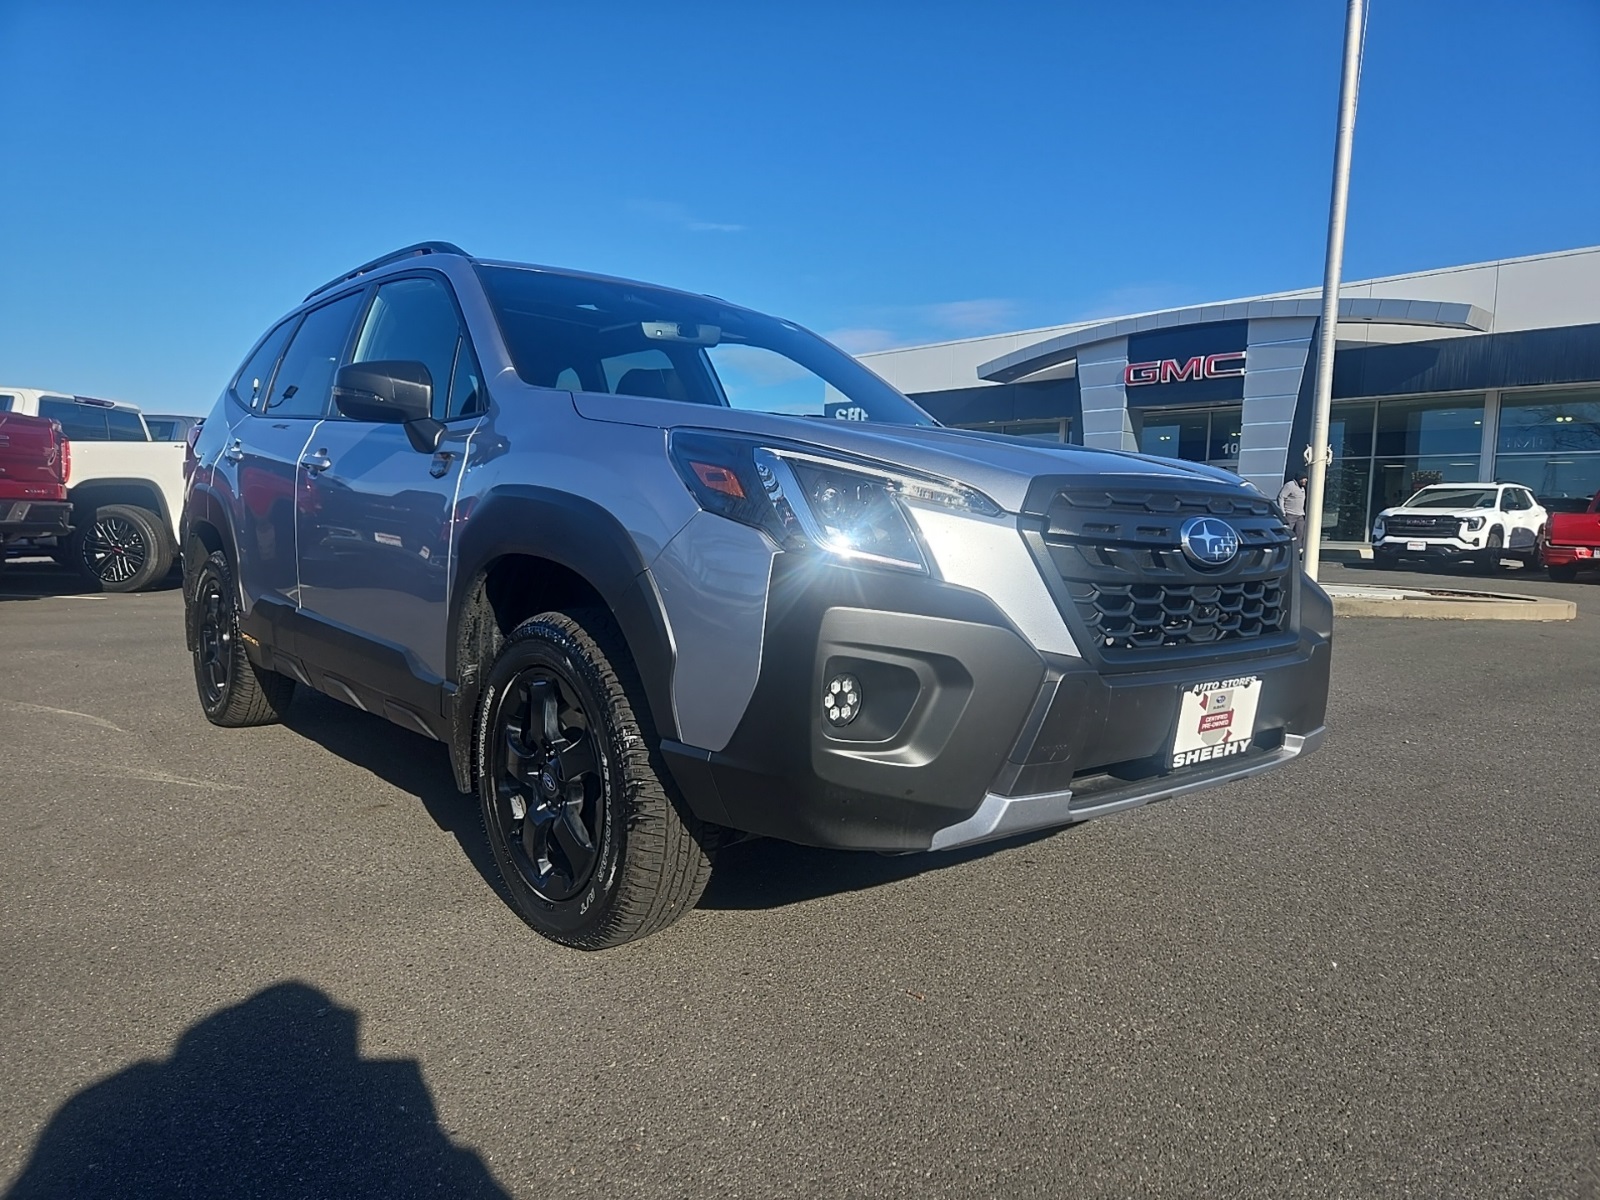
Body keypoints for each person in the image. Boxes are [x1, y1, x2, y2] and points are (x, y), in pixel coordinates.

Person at [1278, 472, 1308, 544]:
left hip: (1300, 515)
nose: (1305, 481)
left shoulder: (1302, 488)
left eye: (1306, 479)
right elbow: (1281, 497)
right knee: (1287, 533)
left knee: (1300, 533)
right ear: (1299, 479)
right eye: (1304, 479)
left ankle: (1297, 549)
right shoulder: (1290, 485)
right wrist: (1283, 512)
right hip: (1290, 514)